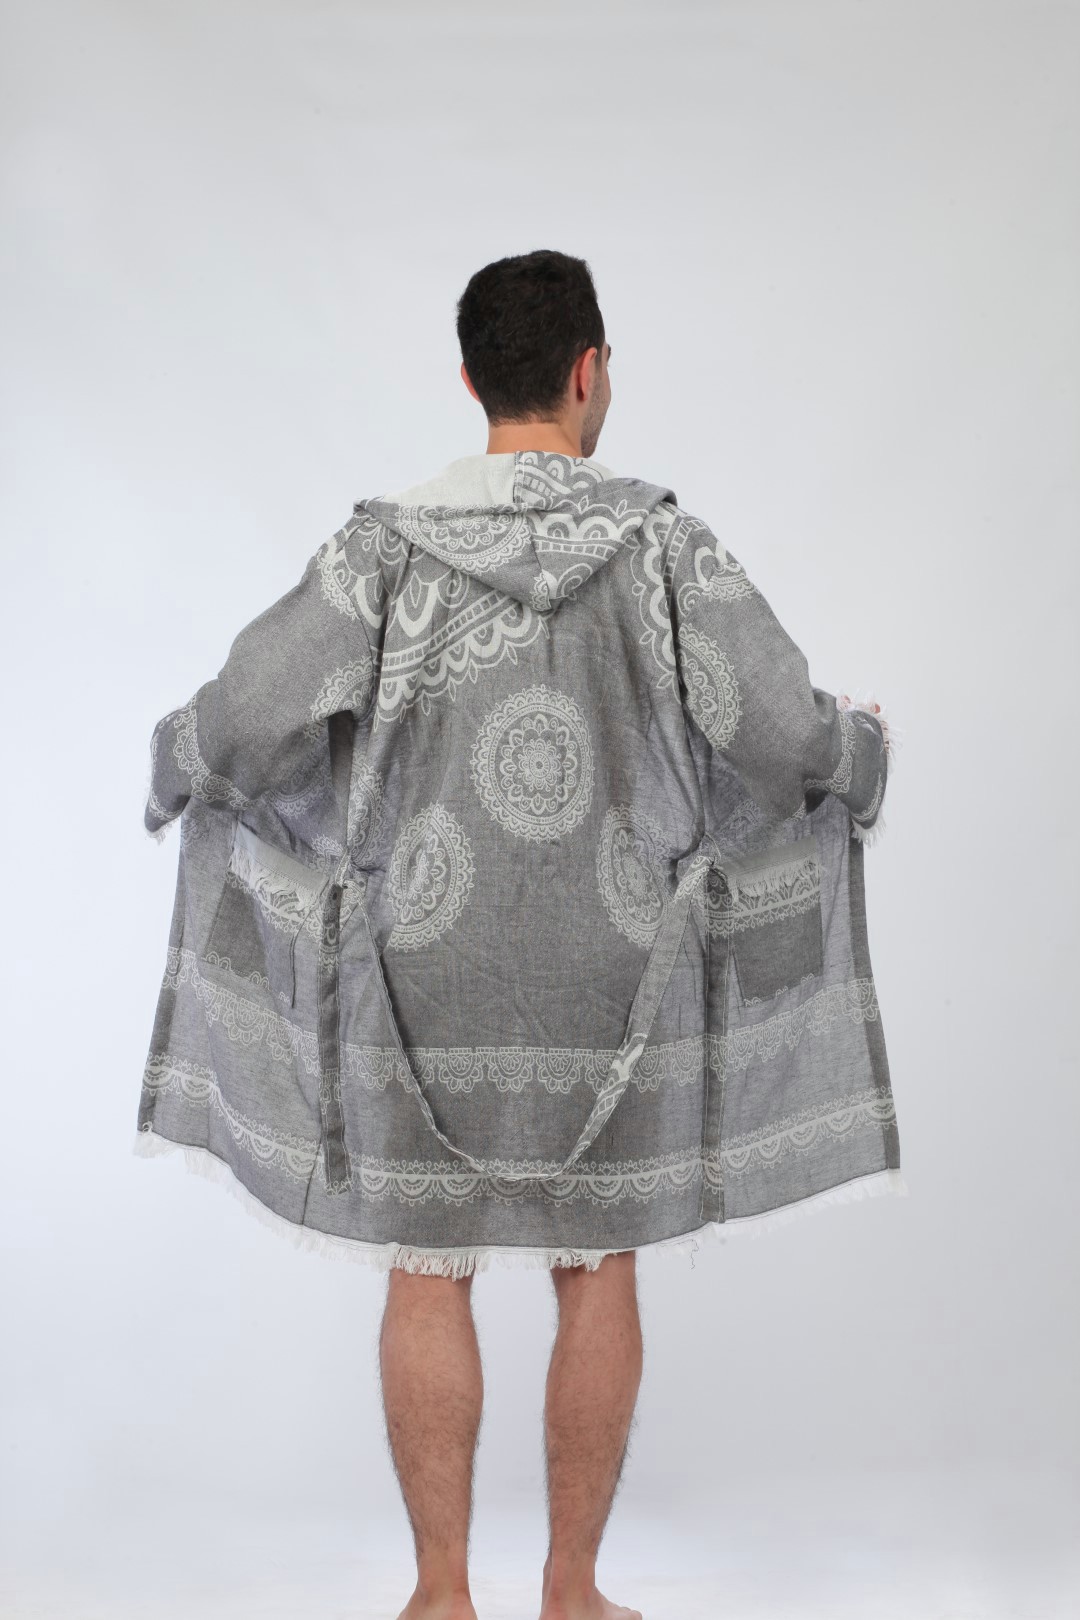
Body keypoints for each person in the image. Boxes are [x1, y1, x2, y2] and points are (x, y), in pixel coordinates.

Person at [137, 250, 901, 1620]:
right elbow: (779, 730)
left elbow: (249, 713)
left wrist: (175, 761)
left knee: (427, 1268)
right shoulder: (664, 546)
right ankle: (571, 1591)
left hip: (416, 969)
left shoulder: (380, 549)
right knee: (595, 1263)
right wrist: (859, 755)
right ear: (588, 371)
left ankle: (440, 1594)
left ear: (471, 378)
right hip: (620, 969)